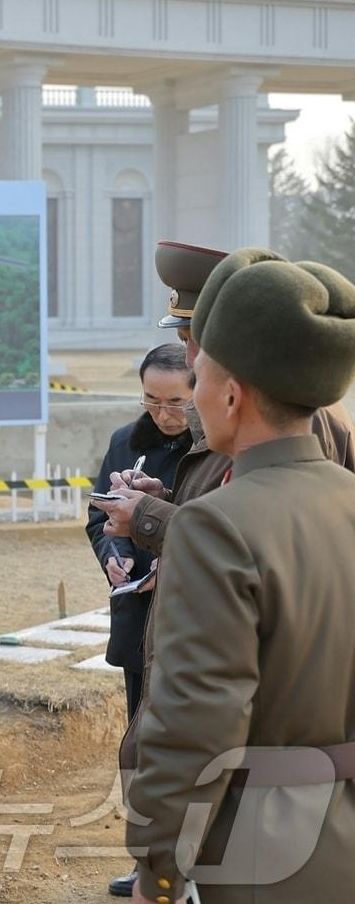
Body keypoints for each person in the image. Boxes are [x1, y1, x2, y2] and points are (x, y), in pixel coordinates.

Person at [89, 242, 355, 898]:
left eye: (199, 373)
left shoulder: (217, 527)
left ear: (231, 394)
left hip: (262, 854)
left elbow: (193, 732)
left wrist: (158, 872)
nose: (188, 392)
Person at [84, 343, 193, 721]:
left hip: (192, 621)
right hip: (138, 613)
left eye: (176, 402)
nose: (164, 414)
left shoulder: (217, 448)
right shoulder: (124, 442)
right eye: (151, 400)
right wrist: (114, 555)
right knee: (139, 733)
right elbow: (100, 518)